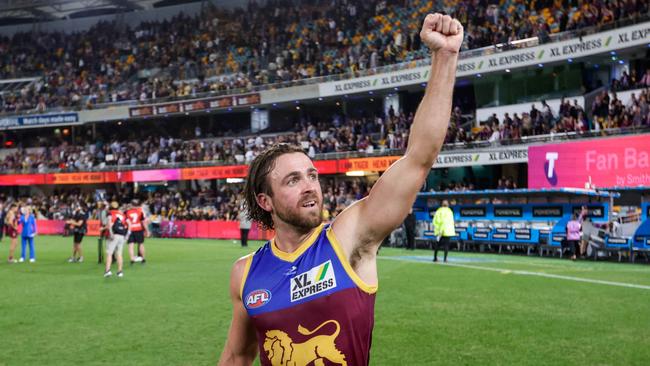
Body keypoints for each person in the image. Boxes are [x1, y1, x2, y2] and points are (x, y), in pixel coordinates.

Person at [218, 13, 462, 365]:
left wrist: (445, 57)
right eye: (293, 180)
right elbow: (238, 356)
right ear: (264, 200)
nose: (310, 187)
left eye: (312, 175)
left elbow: (419, 158)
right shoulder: (246, 273)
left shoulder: (348, 237)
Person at [105, 202, 130, 278]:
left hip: (114, 235)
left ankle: (107, 270)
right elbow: (129, 224)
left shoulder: (110, 213)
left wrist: (111, 234)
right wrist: (127, 235)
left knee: (109, 253)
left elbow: (109, 224)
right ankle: (120, 271)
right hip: (122, 235)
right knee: (119, 254)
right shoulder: (122, 214)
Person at [126, 199, 150, 264]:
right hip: (139, 229)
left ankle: (132, 259)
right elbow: (144, 222)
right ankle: (143, 258)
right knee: (141, 244)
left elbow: (126, 222)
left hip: (131, 230)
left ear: (131, 205)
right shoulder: (140, 212)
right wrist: (147, 231)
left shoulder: (127, 212)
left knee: (131, 245)